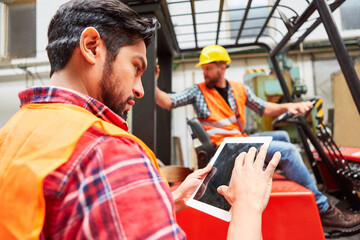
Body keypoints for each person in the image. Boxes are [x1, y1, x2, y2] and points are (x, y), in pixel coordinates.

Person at [0, 1, 281, 239]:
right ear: (91, 47)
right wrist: (247, 205)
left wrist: (174, 199)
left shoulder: (13, 132)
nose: (140, 89)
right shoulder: (109, 151)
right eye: (136, 67)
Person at [155, 44, 360, 232]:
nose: (204, 72)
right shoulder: (197, 91)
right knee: (287, 151)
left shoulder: (239, 88)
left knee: (282, 135)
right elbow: (167, 101)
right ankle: (325, 211)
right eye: (203, 68)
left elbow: (264, 108)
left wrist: (289, 106)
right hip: (225, 148)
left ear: (221, 67)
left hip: (239, 140)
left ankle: (304, 184)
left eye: (207, 67)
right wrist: (153, 83)